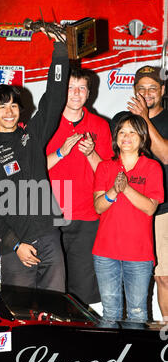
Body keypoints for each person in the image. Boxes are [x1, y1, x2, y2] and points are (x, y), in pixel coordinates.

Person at [0, 29, 69, 293]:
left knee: (55, 311)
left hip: (49, 235)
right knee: (19, 315)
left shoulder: (33, 135)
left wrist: (60, 52)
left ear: (20, 109)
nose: (9, 111)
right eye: (2, 107)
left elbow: (54, 97)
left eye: (14, 105)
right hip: (15, 247)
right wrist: (17, 244)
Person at [46, 67, 113, 304]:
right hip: (51, 214)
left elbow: (108, 175)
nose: (75, 93)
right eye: (70, 87)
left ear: (89, 93)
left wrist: (91, 154)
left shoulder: (101, 126)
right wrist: (61, 153)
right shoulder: (46, 122)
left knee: (84, 287)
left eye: (81, 88)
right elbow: (33, 168)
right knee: (51, 285)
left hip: (88, 215)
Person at [93, 114, 164, 323]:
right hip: (105, 253)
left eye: (132, 132)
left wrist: (127, 188)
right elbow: (98, 206)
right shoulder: (105, 167)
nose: (126, 136)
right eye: (122, 132)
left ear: (142, 138)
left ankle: (134, 356)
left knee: (137, 313)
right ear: (116, 138)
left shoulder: (152, 167)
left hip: (139, 254)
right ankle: (109, 356)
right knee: (110, 314)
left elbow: (150, 208)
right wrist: (114, 190)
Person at [111, 66, 168, 320]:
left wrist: (144, 118)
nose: (146, 93)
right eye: (141, 88)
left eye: (152, 88)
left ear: (163, 90)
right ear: (134, 91)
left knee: (164, 277)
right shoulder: (121, 120)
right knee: (130, 276)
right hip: (125, 212)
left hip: (162, 212)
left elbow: (165, 155)